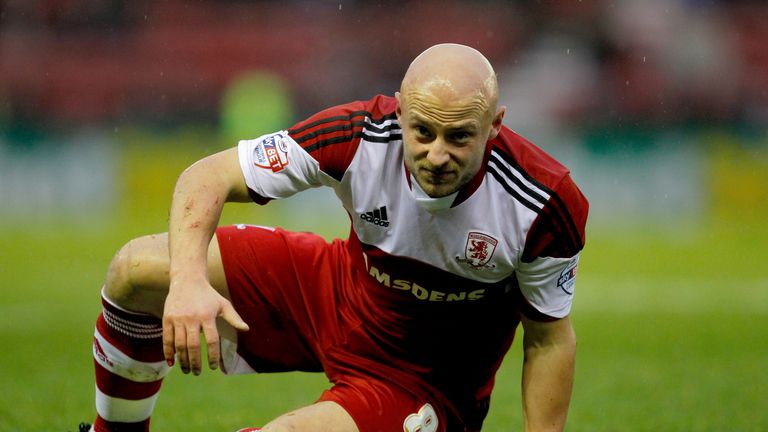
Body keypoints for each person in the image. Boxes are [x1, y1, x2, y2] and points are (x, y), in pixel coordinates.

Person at [83, 43, 588, 432]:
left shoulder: (544, 203)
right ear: (401, 109)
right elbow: (206, 176)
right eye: (423, 132)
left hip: (419, 381)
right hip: (335, 293)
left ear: (495, 125)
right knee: (136, 269)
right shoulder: (358, 134)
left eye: (459, 136)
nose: (437, 155)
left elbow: (548, 340)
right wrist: (189, 281)